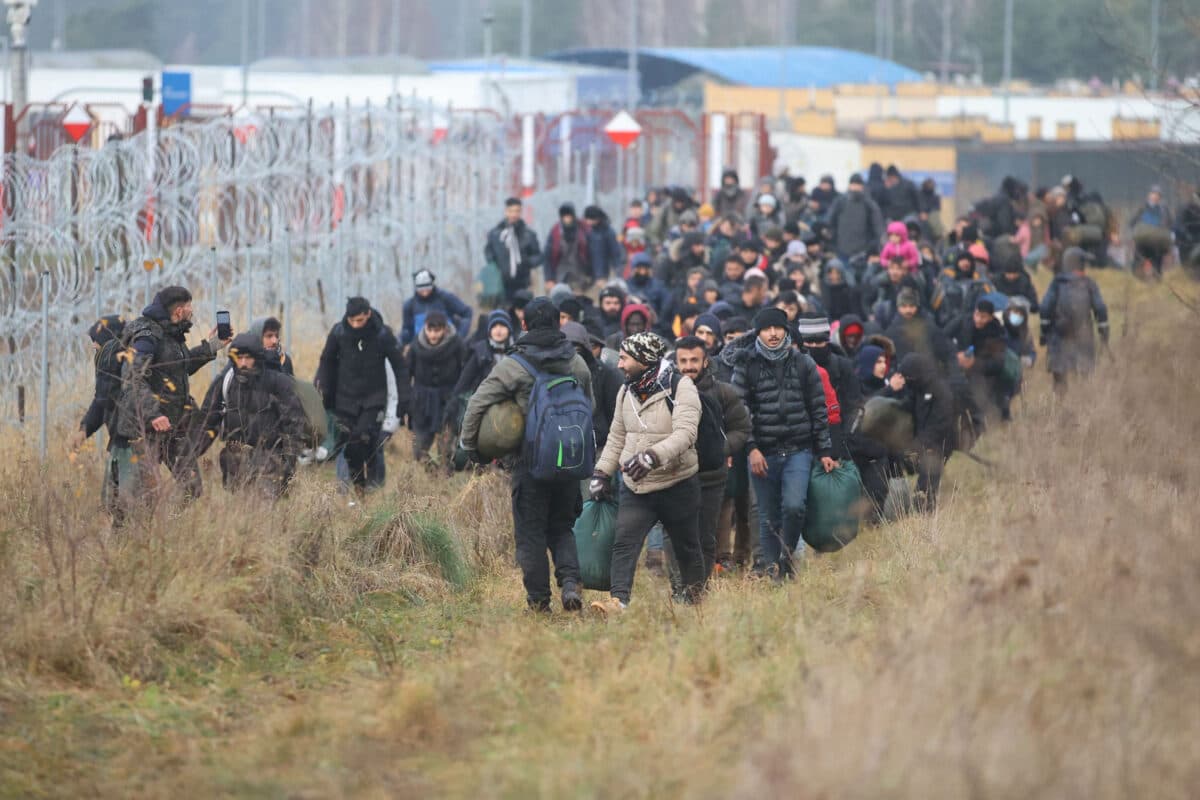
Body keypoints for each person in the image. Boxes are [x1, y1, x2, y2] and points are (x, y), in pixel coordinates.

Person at [459, 298, 592, 613]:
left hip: (529, 464)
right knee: (561, 527)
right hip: (569, 460)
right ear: (559, 323)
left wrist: (469, 446)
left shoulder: (513, 366)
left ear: (524, 324)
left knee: (531, 533)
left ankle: (539, 601)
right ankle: (571, 584)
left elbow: (477, 403)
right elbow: (589, 409)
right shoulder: (576, 362)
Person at [589, 332, 706, 615]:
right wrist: (601, 473)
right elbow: (617, 437)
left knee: (687, 546)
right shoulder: (625, 391)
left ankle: (695, 602)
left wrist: (653, 456)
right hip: (636, 485)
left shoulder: (682, 387)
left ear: (644, 360)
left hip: (677, 483)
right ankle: (618, 603)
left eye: (625, 358)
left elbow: (687, 433)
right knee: (624, 542)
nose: (619, 365)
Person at [732, 308, 836, 578]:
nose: (773, 334)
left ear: (787, 331)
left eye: (778, 328)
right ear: (758, 333)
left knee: (793, 506)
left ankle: (787, 558)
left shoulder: (803, 363)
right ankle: (773, 571)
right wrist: (751, 448)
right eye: (767, 329)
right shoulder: (747, 365)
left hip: (797, 450)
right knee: (767, 517)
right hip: (762, 452)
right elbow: (739, 411)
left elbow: (818, 408)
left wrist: (824, 449)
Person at [115, 286, 231, 502]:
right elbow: (132, 378)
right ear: (179, 310)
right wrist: (153, 413)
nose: (192, 311)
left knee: (192, 486)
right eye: (189, 306)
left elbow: (179, 366)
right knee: (143, 497)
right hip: (146, 428)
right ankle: (135, 533)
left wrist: (214, 346)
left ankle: (173, 527)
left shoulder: (171, 333)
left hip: (173, 427)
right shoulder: (146, 337)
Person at [670, 336, 751, 580]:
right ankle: (678, 585)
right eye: (683, 361)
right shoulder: (667, 392)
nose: (688, 366)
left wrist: (720, 449)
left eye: (694, 360)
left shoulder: (723, 392)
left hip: (711, 477)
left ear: (705, 362)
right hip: (675, 475)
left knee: (706, 536)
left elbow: (742, 428)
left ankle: (699, 589)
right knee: (675, 534)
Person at [194, 334, 307, 498]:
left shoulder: (279, 383)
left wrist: (288, 466)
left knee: (263, 511)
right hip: (235, 463)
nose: (243, 363)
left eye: (248, 358)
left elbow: (294, 425)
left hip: (271, 461)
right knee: (242, 516)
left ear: (258, 358)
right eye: (239, 358)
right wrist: (191, 452)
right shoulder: (225, 383)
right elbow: (207, 421)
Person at [316, 297, 410, 494]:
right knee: (350, 446)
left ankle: (373, 487)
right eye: (352, 321)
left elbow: (400, 367)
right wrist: (323, 390)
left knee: (367, 441)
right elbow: (326, 361)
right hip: (345, 399)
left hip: (373, 399)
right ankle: (359, 488)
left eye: (360, 320)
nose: (356, 325)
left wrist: (404, 399)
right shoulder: (338, 333)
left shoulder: (382, 335)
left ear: (367, 314)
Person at [70, 315, 128, 512]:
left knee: (119, 503)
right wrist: (84, 430)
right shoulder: (113, 362)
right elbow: (102, 401)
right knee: (113, 502)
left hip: (127, 441)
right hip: (121, 439)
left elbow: (102, 401)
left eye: (97, 341)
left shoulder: (117, 362)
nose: (94, 345)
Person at [884, 353, 956, 510]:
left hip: (938, 445)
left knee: (925, 487)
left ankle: (926, 516)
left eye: (908, 378)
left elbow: (940, 424)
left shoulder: (940, 391)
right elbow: (906, 406)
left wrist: (920, 444)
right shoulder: (917, 390)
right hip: (922, 441)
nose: (906, 382)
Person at [1039, 247, 1109, 391]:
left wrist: (1045, 329)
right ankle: (1084, 403)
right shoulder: (1089, 284)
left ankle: (1059, 403)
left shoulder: (1057, 283)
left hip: (1059, 334)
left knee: (1059, 373)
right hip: (1084, 335)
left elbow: (1045, 307)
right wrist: (1104, 330)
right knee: (1085, 373)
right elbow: (1100, 308)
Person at [406, 312, 467, 469]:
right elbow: (406, 373)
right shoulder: (415, 346)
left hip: (448, 401)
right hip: (421, 402)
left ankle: (445, 484)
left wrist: (458, 398)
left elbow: (465, 372)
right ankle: (433, 474)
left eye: (437, 330)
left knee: (446, 451)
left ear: (445, 329)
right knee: (418, 450)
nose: (433, 334)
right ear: (425, 328)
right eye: (430, 330)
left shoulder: (457, 344)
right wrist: (407, 400)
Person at [447, 310, 514, 450]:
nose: (499, 330)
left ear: (509, 329)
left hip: (510, 404)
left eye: (503, 326)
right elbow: (465, 379)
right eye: (495, 326)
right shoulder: (480, 351)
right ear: (489, 330)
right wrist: (454, 400)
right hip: (485, 402)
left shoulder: (516, 351)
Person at [563, 321, 621, 451]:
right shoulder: (552, 373)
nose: (573, 355)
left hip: (598, 447)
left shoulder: (606, 373)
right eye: (568, 348)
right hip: (561, 445)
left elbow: (615, 417)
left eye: (577, 349)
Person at [955, 299, 1012, 421]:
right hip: (964, 374)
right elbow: (943, 336)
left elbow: (998, 364)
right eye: (977, 315)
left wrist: (974, 363)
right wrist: (956, 355)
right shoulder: (965, 322)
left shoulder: (997, 333)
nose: (978, 319)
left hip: (988, 379)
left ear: (991, 317)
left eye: (983, 317)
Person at [485, 197, 543, 303]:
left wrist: (527, 262)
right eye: (511, 211)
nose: (514, 215)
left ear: (520, 212)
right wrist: (495, 267)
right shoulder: (496, 234)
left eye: (517, 211)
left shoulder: (528, 234)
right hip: (500, 284)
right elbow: (489, 253)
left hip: (522, 282)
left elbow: (538, 255)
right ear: (506, 211)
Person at [401, 270, 473, 347]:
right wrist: (403, 343)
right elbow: (407, 329)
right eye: (421, 288)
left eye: (427, 287)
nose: (424, 291)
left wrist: (460, 336)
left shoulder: (445, 298)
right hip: (421, 347)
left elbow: (467, 312)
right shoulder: (409, 305)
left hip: (447, 345)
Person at [828, 173, 885, 262]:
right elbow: (830, 222)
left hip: (863, 251)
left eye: (857, 185)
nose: (855, 187)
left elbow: (877, 226)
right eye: (853, 184)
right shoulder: (840, 202)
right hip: (842, 248)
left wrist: (875, 244)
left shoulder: (869, 204)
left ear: (862, 186)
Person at [544, 203, 591, 294]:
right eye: (565, 217)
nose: (567, 219)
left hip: (580, 275)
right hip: (559, 275)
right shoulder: (555, 232)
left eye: (569, 216)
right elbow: (547, 257)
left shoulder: (583, 230)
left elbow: (592, 253)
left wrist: (591, 275)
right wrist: (549, 278)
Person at [1129, 185, 1174, 276]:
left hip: (1157, 241)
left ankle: (1157, 282)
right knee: (1138, 262)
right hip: (1143, 240)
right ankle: (1136, 279)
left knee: (1157, 264)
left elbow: (1170, 224)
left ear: (1160, 197)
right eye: (1153, 193)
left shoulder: (1164, 210)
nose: (1155, 196)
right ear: (1149, 195)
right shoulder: (1142, 208)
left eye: (1157, 194)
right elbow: (1132, 222)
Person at [583, 205, 623, 284]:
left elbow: (615, 254)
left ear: (596, 218)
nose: (587, 221)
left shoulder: (608, 232)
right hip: (591, 274)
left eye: (589, 219)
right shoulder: (589, 232)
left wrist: (617, 272)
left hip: (604, 274)